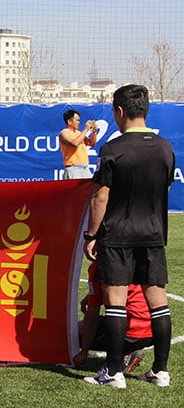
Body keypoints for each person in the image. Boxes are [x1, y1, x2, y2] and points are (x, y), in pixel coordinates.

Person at [83, 84, 175, 389]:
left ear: (119, 112)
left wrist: (91, 235)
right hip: (153, 235)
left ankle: (113, 372)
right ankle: (160, 371)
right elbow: (167, 190)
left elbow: (100, 198)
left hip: (118, 235)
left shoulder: (113, 149)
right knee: (158, 302)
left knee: (115, 303)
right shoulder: (165, 148)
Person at [74, 261, 152, 372]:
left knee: (71, 332)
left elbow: (92, 316)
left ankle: (121, 357)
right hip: (153, 331)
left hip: (130, 331)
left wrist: (83, 352)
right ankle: (131, 353)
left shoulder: (99, 265)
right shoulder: (135, 257)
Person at [59, 108, 98, 179]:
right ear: (69, 121)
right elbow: (75, 143)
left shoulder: (79, 133)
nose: (79, 123)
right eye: (77, 120)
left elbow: (91, 143)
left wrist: (94, 132)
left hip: (85, 168)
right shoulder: (64, 132)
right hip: (73, 168)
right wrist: (86, 129)